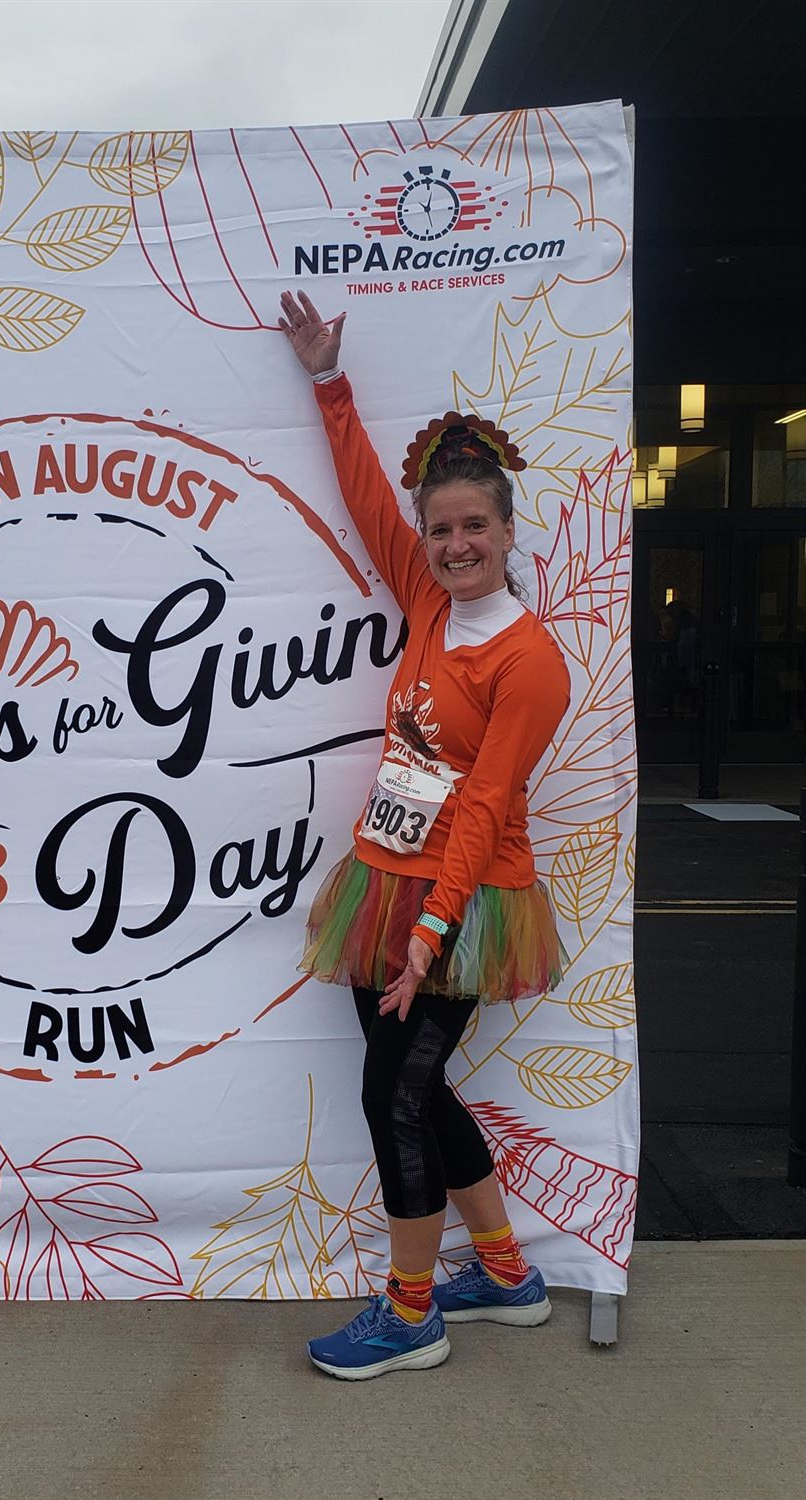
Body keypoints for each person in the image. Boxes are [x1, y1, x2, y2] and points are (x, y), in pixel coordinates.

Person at [277, 290, 571, 1381]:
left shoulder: (529, 663)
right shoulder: (429, 601)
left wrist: (431, 929)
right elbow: (365, 498)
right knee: (413, 1086)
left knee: (390, 1095)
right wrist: (328, 381)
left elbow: (487, 806)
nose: (454, 546)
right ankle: (504, 1274)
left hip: (465, 898)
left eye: (473, 528)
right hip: (384, 877)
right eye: (440, 529)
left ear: (508, 531)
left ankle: (412, 1314)